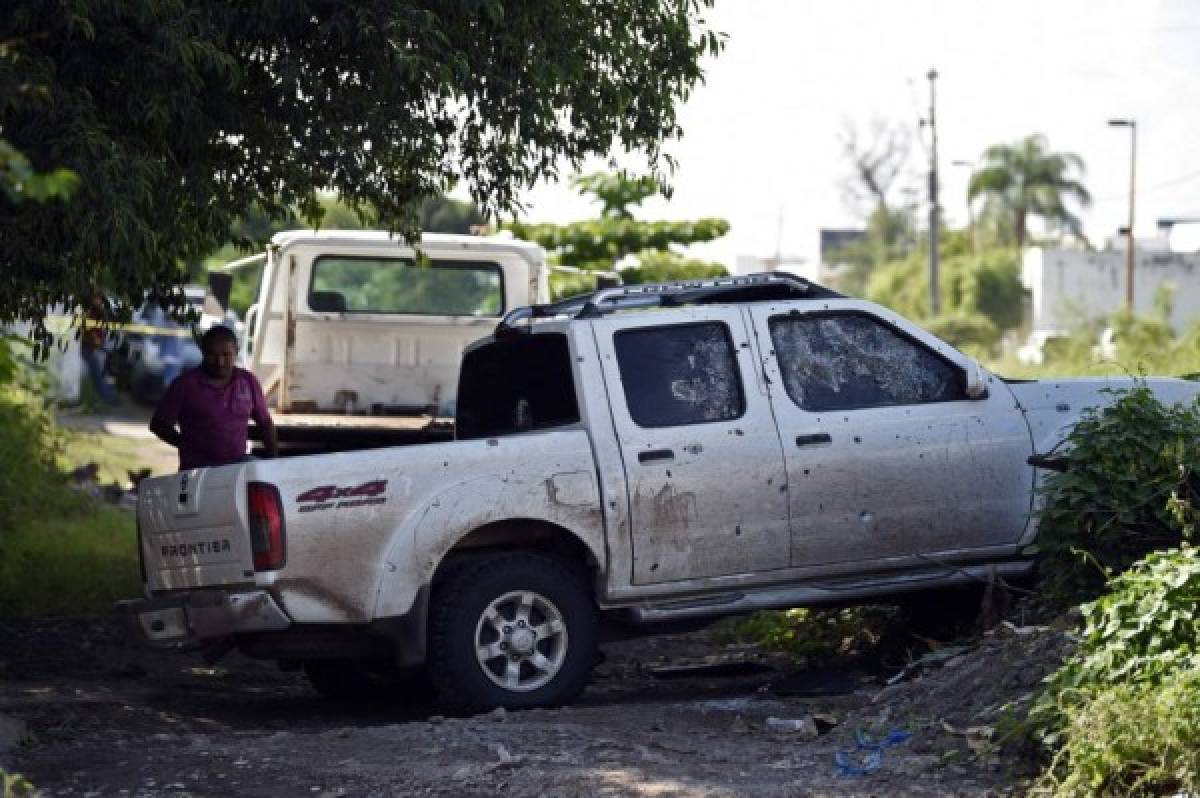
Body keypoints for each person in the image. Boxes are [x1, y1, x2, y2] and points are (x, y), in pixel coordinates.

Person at [150, 325, 278, 470]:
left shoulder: (248, 381)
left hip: (236, 469)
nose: (220, 362)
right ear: (203, 352)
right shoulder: (185, 385)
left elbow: (265, 423)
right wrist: (185, 444)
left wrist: (274, 461)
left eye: (226, 355)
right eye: (213, 355)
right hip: (197, 472)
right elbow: (158, 425)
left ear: (236, 352)